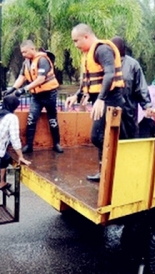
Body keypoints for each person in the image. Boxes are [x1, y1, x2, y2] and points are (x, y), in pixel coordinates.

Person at [65, 23, 126, 182]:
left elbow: (109, 74)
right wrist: (76, 96)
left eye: (76, 41)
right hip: (102, 100)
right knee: (100, 137)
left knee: (98, 136)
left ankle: (114, 168)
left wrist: (100, 98)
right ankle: (104, 171)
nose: (75, 45)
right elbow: (90, 82)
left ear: (86, 36)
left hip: (111, 99)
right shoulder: (88, 53)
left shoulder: (102, 49)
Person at [4, 40, 63, 154]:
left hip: (49, 94)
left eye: (25, 52)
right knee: (31, 119)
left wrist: (24, 89)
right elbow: (22, 77)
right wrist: (13, 88)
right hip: (36, 96)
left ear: (32, 49)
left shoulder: (42, 60)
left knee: (52, 119)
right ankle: (29, 145)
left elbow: (41, 79)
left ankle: (57, 143)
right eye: (22, 53)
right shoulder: (26, 62)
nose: (23, 55)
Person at [111, 36, 152, 138]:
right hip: (110, 109)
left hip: (129, 110)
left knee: (129, 136)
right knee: (109, 138)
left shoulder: (133, 65)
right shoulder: (106, 63)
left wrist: (146, 105)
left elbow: (141, 86)